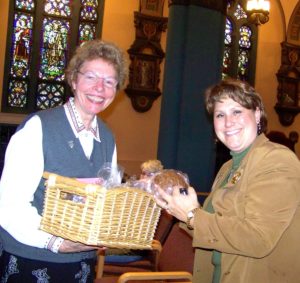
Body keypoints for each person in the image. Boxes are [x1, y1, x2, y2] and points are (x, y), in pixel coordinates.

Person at [0, 39, 128, 282]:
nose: (99, 88)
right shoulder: (38, 127)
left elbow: (104, 202)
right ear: (73, 80)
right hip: (32, 261)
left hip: (82, 264)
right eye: (91, 77)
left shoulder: (108, 138)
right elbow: (9, 207)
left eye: (109, 81)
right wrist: (55, 242)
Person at [155, 78, 300, 283]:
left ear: (257, 114)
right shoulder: (227, 168)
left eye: (237, 112)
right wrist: (178, 208)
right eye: (220, 114)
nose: (228, 122)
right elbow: (219, 225)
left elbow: (257, 238)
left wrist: (192, 216)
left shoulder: (276, 159)